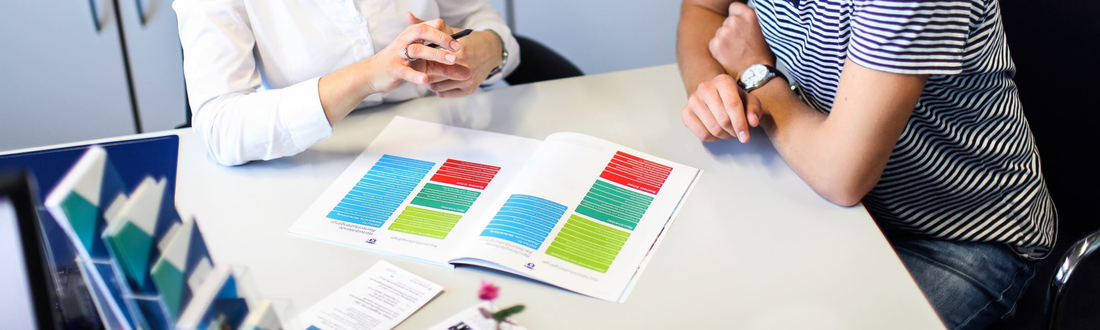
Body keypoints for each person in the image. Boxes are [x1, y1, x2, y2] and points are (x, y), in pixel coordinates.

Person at [677, 0, 1056, 329]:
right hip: (834, 206)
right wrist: (713, 90)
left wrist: (754, 73)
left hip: (965, 235)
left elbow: (840, 174)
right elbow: (703, 9)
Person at [173, 0, 519, 166]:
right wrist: (367, 76)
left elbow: (481, 21)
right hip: (314, 161)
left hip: (453, 138)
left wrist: (489, 51)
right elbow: (220, 125)